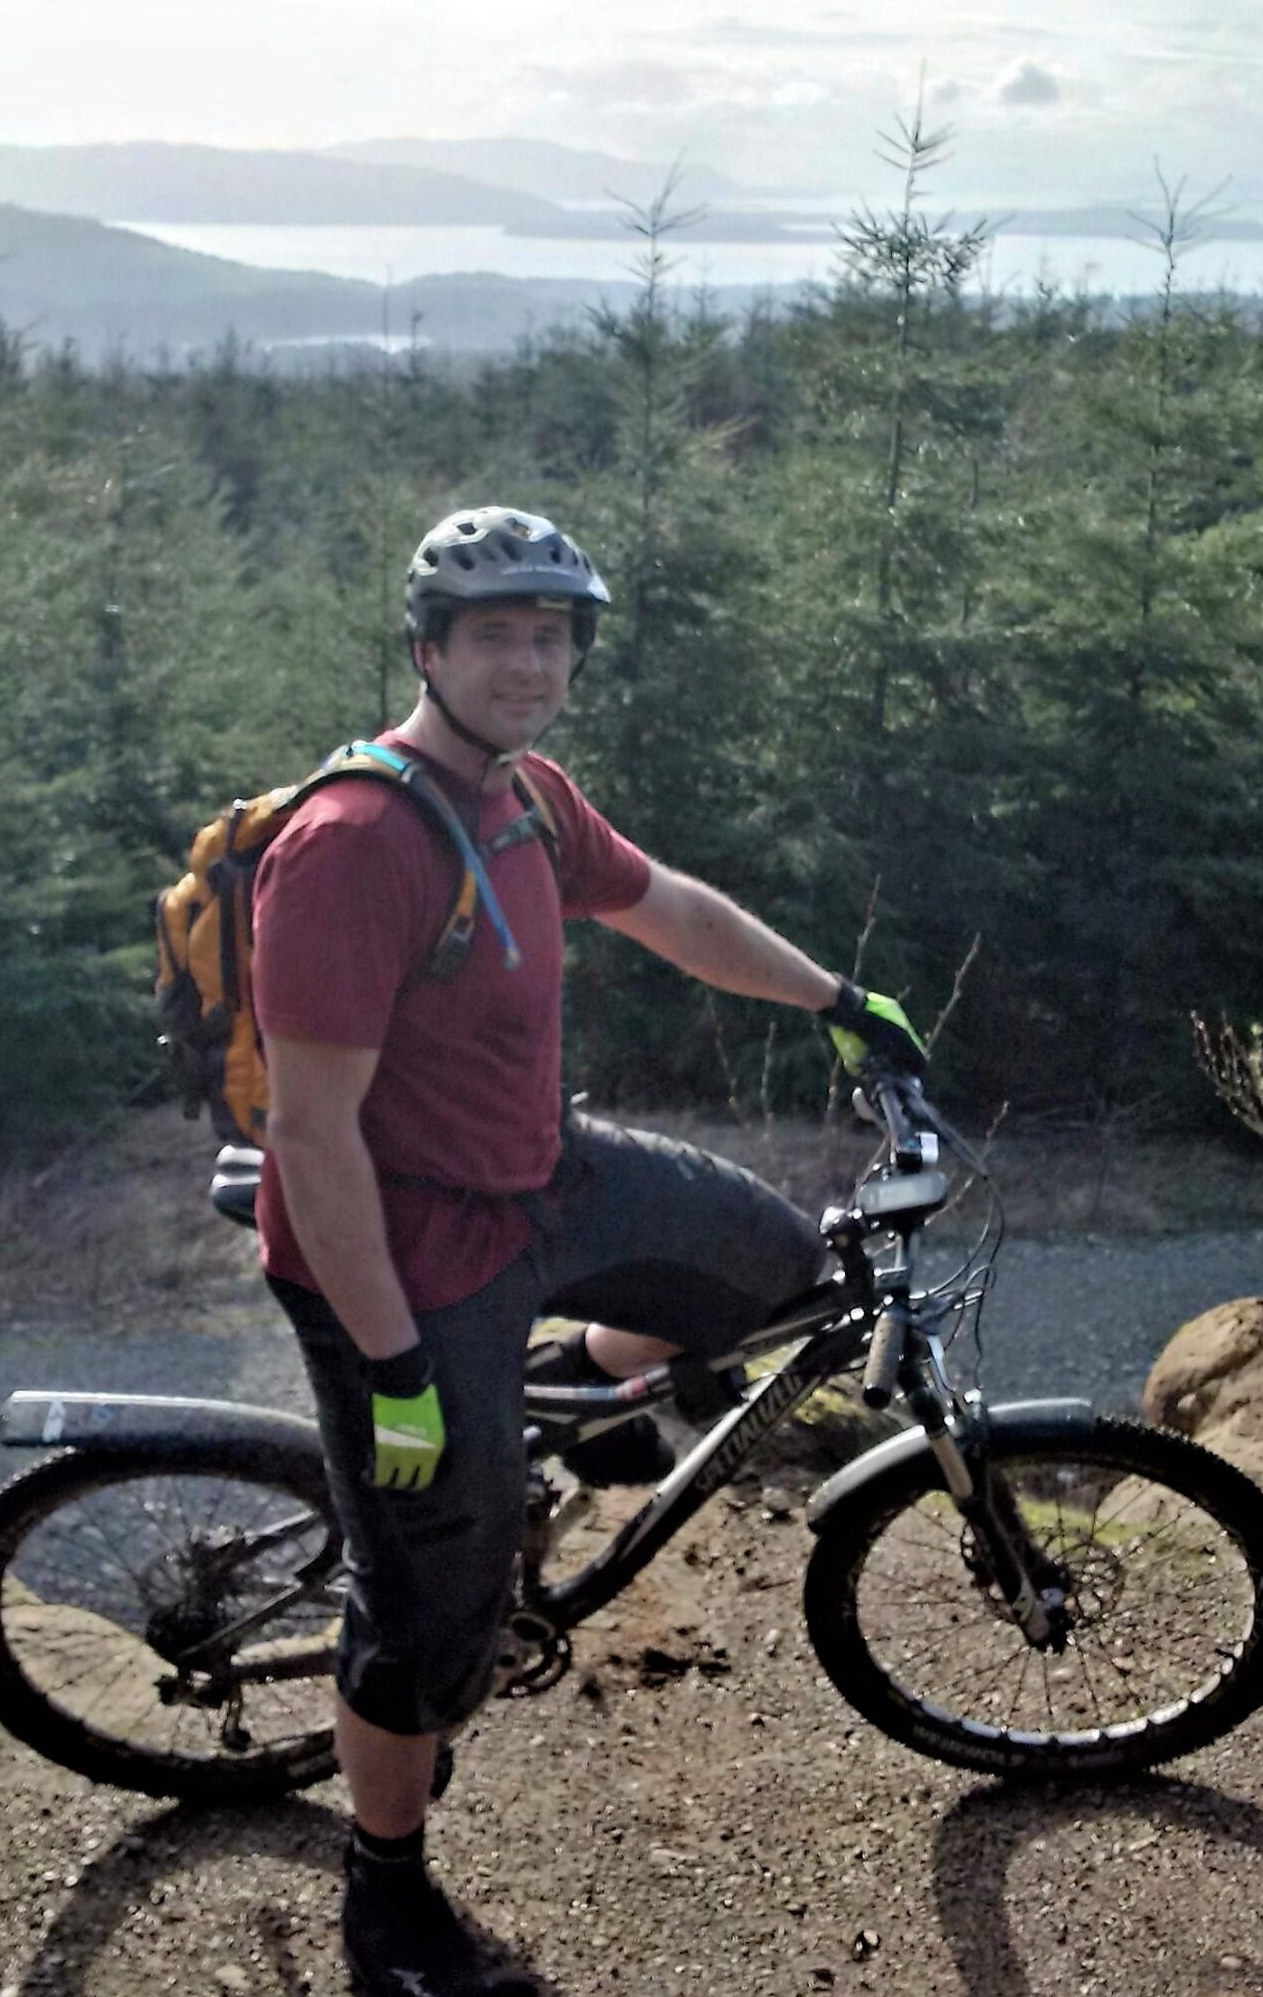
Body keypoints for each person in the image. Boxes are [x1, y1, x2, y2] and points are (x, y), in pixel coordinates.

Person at [251, 505, 925, 1997]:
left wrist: (835, 1001)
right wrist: (400, 1370)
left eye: (550, 637)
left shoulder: (529, 798)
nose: (527, 662)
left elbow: (666, 908)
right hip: (403, 1245)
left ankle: (586, 1407)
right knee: (436, 1593)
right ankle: (386, 1888)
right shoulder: (353, 846)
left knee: (776, 1268)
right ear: (427, 650)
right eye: (494, 635)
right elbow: (314, 1139)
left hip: (541, 1170)